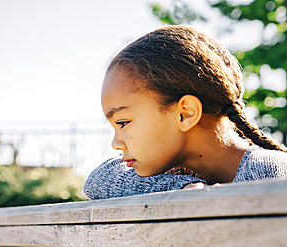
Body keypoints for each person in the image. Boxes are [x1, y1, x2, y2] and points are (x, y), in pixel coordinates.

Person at [82, 25, 287, 200]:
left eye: (123, 123)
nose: (115, 143)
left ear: (186, 113)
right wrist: (182, 188)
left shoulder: (270, 173)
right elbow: (97, 181)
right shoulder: (175, 172)